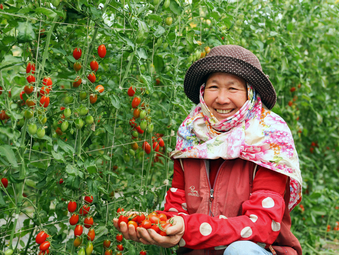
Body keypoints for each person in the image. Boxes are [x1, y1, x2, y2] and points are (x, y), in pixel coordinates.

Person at [113, 45, 303, 255]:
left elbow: (262, 226)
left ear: (251, 93)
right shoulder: (191, 137)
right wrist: (158, 226)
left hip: (260, 250)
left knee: (240, 251)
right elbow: (177, 207)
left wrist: (188, 229)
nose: (221, 99)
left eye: (233, 88)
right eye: (213, 87)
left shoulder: (268, 141)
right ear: (203, 91)